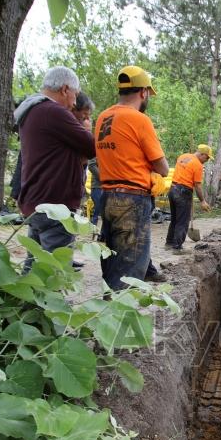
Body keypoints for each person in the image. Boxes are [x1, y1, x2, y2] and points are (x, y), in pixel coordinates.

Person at [94, 65, 169, 290]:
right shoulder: (139, 119)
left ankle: (105, 305)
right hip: (133, 199)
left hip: (107, 196)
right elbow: (163, 167)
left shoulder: (102, 117)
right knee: (129, 266)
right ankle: (118, 315)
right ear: (143, 92)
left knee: (112, 257)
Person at [14, 67, 95, 272]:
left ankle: (27, 303)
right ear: (65, 89)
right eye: (75, 96)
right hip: (55, 205)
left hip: (37, 199)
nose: (74, 103)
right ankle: (49, 304)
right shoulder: (53, 111)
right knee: (54, 271)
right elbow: (91, 146)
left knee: (34, 267)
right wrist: (86, 130)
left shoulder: (32, 110)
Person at [166, 144, 213, 252]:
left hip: (172, 190)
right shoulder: (198, 165)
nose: (207, 160)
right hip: (183, 192)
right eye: (207, 158)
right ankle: (177, 248)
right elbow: (197, 185)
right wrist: (202, 201)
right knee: (182, 221)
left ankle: (169, 243)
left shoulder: (183, 156)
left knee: (174, 219)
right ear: (202, 154)